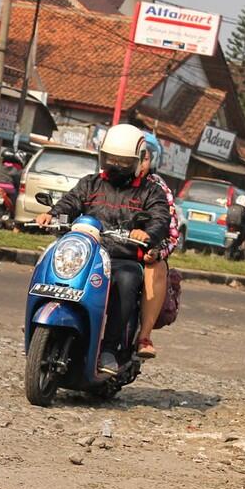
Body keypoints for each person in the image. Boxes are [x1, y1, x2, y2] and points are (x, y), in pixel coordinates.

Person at [35, 124, 171, 374]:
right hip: (87, 252)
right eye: (111, 159)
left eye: (123, 161)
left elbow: (160, 218)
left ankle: (109, 349)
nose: (116, 165)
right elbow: (71, 202)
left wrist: (147, 233)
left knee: (127, 281)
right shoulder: (90, 184)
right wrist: (52, 215)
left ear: (139, 161)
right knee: (51, 261)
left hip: (122, 257)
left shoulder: (151, 191)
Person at [135, 131, 180, 359]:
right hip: (106, 248)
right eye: (136, 156)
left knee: (156, 268)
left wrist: (156, 251)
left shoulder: (158, 188)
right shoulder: (100, 180)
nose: (140, 163)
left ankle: (144, 336)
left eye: (145, 157)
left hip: (140, 253)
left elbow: (171, 232)